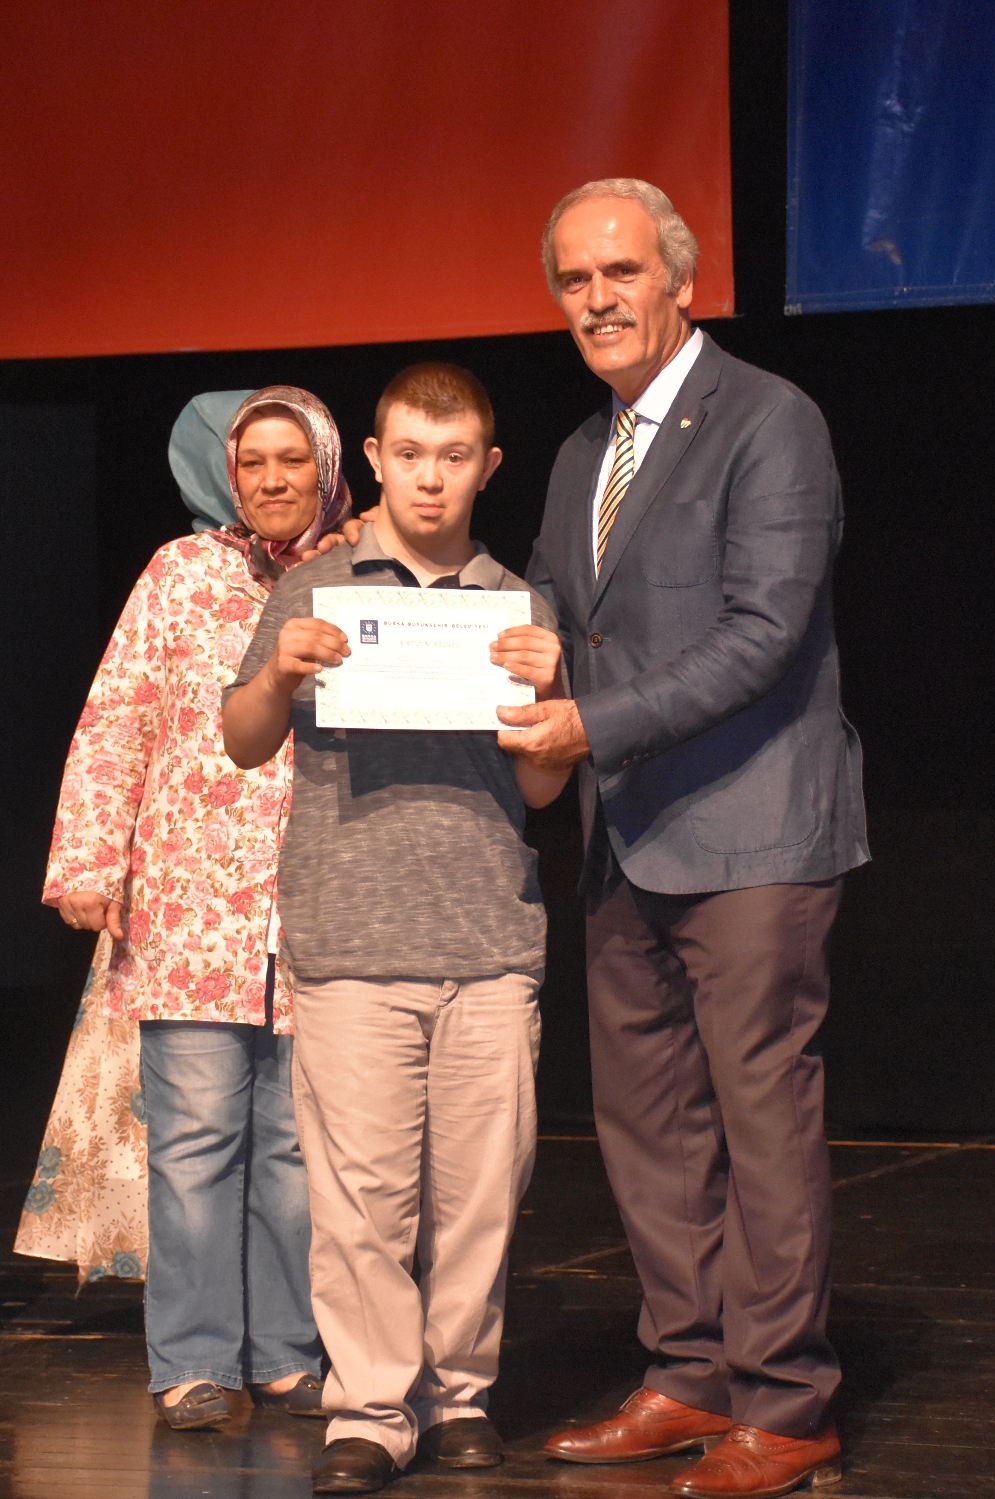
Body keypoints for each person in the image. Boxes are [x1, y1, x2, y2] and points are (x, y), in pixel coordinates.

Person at [496, 180, 869, 1499]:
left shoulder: (769, 419)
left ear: (679, 280)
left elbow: (763, 633)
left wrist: (587, 721)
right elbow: (552, 608)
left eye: (619, 272)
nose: (595, 299)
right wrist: (473, 628)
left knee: (760, 1121)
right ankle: (691, 1372)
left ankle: (786, 1398)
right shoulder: (578, 451)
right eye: (573, 280)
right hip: (626, 836)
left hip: (755, 831)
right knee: (648, 1124)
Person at [223, 363, 569, 1495]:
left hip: (486, 940)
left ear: (487, 466)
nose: (430, 478)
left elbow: (542, 791)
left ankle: (457, 1394)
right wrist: (279, 671)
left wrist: (550, 701)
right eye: (410, 454)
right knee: (361, 1201)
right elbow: (241, 740)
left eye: (453, 456)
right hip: (352, 940)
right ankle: (370, 1409)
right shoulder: (314, 588)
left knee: (480, 1196)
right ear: (375, 458)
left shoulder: (518, 605)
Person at [40, 385, 352, 1430]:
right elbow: (115, 717)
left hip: (318, 902)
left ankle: (287, 1354)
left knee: (297, 1150)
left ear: (326, 468)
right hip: (190, 903)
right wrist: (89, 858)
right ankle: (195, 1361)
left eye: (291, 460)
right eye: (251, 462)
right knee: (195, 1143)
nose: (270, 479)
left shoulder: (358, 573)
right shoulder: (178, 572)